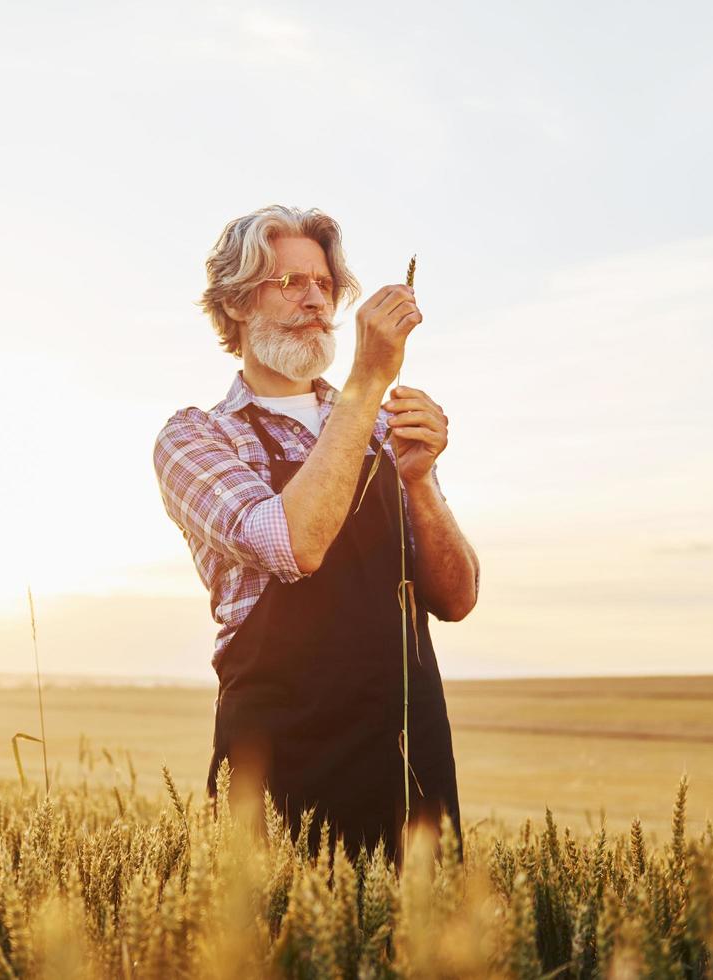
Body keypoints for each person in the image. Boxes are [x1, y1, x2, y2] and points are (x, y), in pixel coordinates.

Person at [151, 204, 480, 867]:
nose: (314, 300)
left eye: (324, 285)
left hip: (405, 759)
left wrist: (417, 481)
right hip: (277, 768)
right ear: (238, 303)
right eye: (289, 283)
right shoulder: (197, 438)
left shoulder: (386, 428)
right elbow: (291, 544)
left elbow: (456, 596)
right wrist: (365, 384)